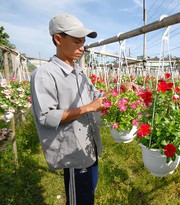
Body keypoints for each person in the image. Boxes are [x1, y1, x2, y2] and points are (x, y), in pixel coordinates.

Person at [30, 13, 137, 205]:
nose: (82, 47)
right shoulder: (45, 74)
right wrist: (88, 108)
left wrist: (119, 90)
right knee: (79, 200)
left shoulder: (78, 72)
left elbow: (97, 98)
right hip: (73, 152)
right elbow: (46, 117)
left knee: (89, 194)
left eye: (83, 42)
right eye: (77, 41)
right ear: (58, 39)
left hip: (89, 147)